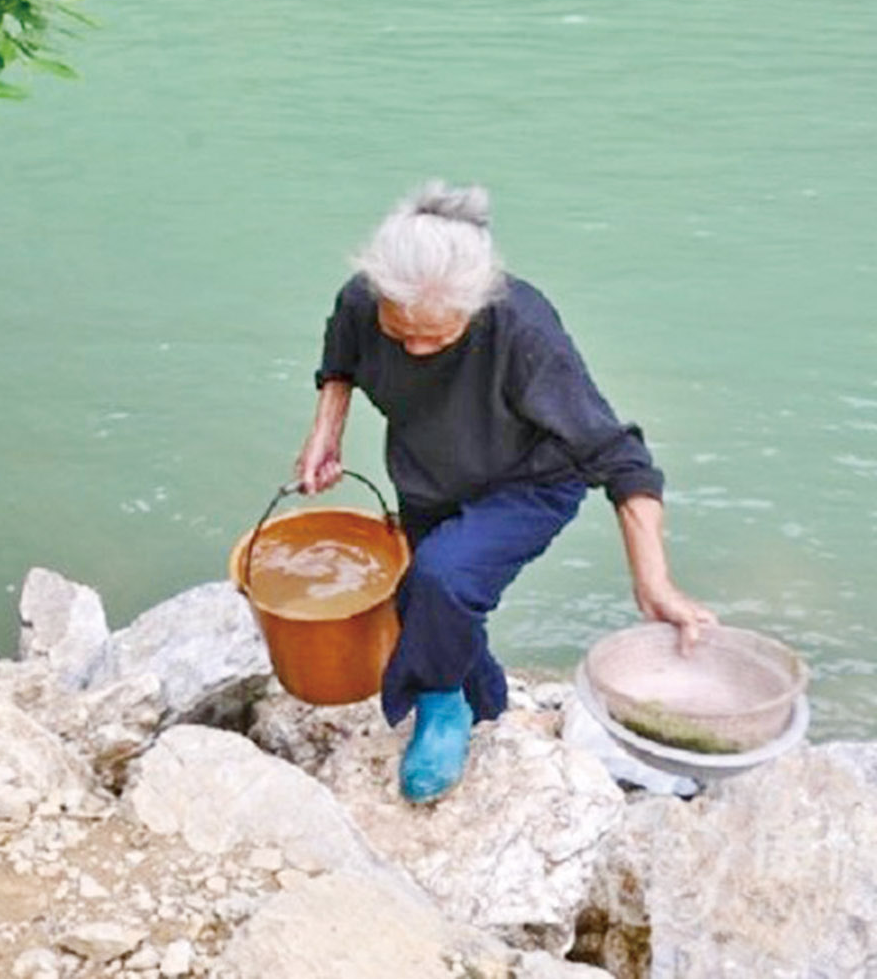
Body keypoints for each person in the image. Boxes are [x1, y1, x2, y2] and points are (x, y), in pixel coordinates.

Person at [293, 180, 716, 804]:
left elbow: (621, 457)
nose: (415, 347)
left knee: (442, 578)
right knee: (428, 598)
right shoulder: (363, 302)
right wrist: (325, 434)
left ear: (478, 303)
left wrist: (653, 583)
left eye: (436, 337)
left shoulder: (524, 332)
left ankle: (442, 711)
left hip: (531, 480)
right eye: (399, 331)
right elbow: (342, 358)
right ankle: (487, 707)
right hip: (431, 471)